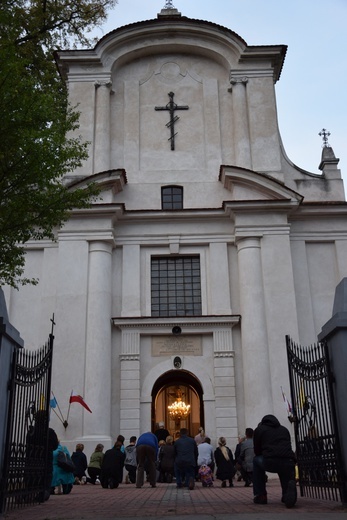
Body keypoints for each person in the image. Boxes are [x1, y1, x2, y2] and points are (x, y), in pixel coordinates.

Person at [252, 414, 297, 508]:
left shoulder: (260, 429)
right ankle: (286, 494)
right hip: (288, 460)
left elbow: (257, 450)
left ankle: (261, 495)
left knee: (256, 461)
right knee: (285, 470)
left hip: (270, 461)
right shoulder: (284, 429)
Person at [25, 409, 59, 501]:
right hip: (46, 459)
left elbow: (28, 444)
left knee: (32, 476)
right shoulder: (50, 432)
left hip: (32, 459)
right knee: (46, 477)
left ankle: (29, 494)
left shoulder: (31, 432)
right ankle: (43, 493)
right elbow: (55, 445)